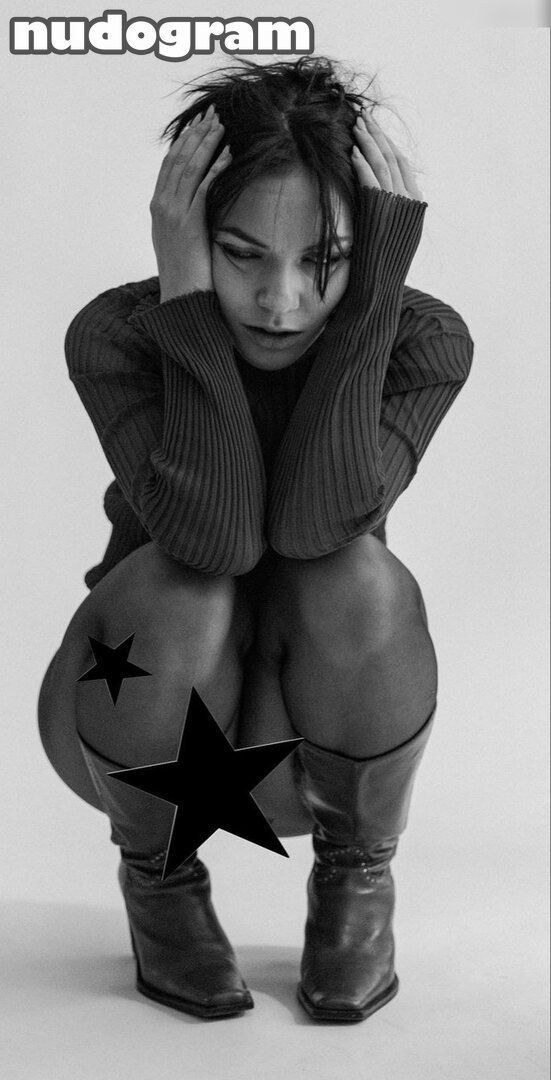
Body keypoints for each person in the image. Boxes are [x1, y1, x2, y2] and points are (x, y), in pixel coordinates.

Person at [37, 56, 473, 1023]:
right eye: (241, 255)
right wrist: (187, 312)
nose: (282, 302)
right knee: (182, 581)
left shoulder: (421, 343)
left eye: (324, 260)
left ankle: (356, 884)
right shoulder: (119, 336)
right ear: (189, 234)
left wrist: (370, 306)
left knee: (353, 571)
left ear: (372, 251)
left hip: (321, 744)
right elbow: (217, 539)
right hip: (135, 729)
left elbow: (315, 524)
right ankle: (159, 886)